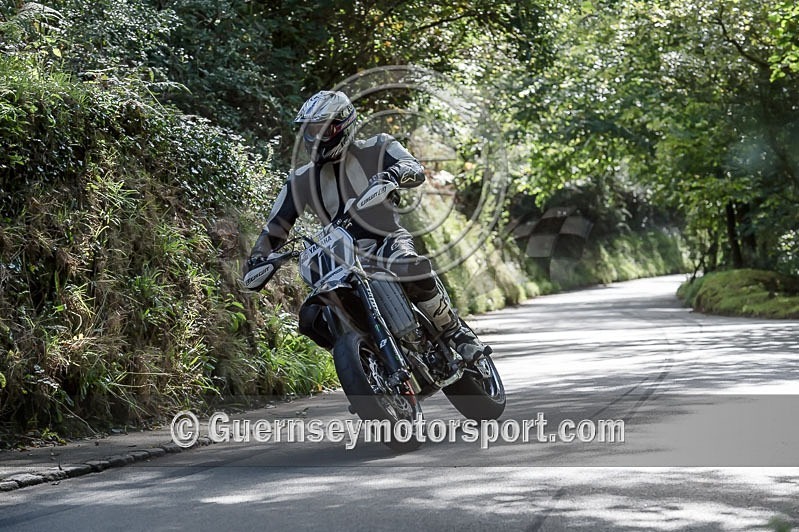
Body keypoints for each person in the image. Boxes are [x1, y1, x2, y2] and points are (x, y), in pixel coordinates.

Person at [245, 90, 490, 363]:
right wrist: (259, 256)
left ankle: (454, 331)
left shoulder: (378, 146)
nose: (313, 138)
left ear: (343, 125)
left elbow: (413, 167)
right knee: (310, 317)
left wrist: (394, 174)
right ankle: (365, 360)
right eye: (309, 131)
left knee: (408, 265)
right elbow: (274, 228)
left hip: (386, 240)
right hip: (338, 260)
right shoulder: (299, 180)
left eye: (321, 130)